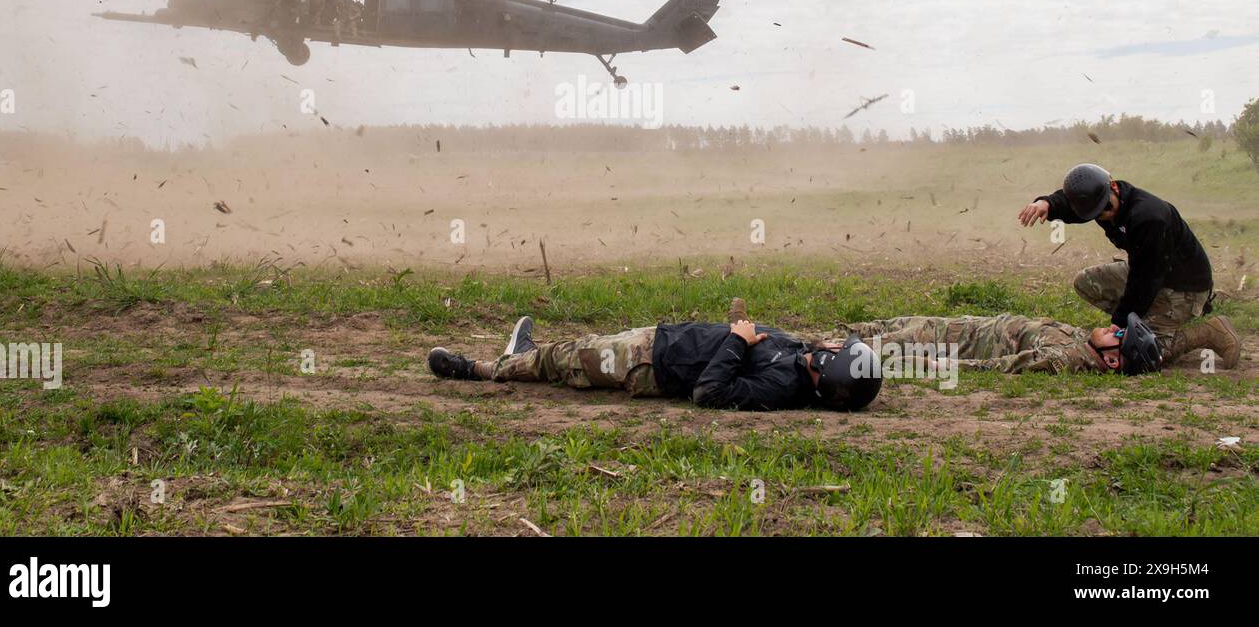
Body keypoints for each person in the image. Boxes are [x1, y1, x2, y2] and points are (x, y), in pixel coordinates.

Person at [427, 312, 883, 412]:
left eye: (840, 353)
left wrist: (737, 342)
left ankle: (482, 369)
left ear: (828, 373)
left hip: (650, 365)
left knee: (559, 360)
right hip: (661, 341)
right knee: (571, 351)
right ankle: (523, 356)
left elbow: (711, 393)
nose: (835, 347)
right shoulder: (800, 357)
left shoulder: (782, 386)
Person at [1019, 163, 1240, 368]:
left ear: (1113, 187)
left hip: (1182, 286)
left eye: (1105, 208)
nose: (1105, 215)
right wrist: (1046, 203)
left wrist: (1122, 323)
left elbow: (1145, 281)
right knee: (1086, 282)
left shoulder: (1149, 217)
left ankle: (1208, 331)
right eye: (1096, 213)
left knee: (1139, 354)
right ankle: (1155, 322)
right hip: (1150, 270)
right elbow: (1072, 201)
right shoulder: (1102, 200)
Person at [844, 311, 1162, 375]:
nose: (1113, 328)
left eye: (1119, 336)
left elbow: (1009, 365)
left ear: (1112, 360)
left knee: (880, 344)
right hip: (969, 326)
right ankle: (846, 332)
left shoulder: (1065, 358)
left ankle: (820, 348)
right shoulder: (1085, 343)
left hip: (957, 343)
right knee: (902, 322)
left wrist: (946, 366)